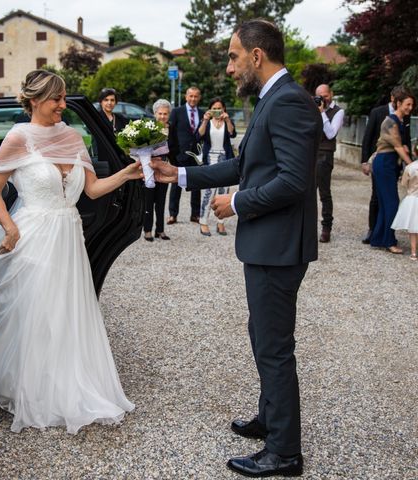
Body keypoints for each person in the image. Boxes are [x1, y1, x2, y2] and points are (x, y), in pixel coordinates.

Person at [151, 19, 321, 477]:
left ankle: (285, 452)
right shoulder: (273, 100)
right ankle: (271, 418)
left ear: (257, 56)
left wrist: (239, 204)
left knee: (274, 348)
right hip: (269, 246)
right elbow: (242, 165)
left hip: (279, 246)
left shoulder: (288, 102)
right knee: (262, 337)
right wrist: (179, 176)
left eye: (232, 56)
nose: (229, 67)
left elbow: (291, 180)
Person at [0, 70, 140, 434]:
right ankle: (36, 390)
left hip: (69, 234)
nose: (62, 105)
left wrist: (125, 174)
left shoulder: (74, 137)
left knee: (68, 311)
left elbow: (91, 190)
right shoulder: (17, 138)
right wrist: (9, 228)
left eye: (63, 98)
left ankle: (70, 387)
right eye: (56, 99)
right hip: (34, 234)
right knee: (37, 313)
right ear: (34, 101)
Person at [360, 85, 412, 244]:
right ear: (397, 102)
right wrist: (411, 165)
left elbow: (402, 143)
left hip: (391, 165)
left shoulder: (402, 119)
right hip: (383, 165)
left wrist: (406, 150)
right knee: (390, 203)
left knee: (385, 203)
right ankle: (386, 240)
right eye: (408, 104)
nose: (411, 108)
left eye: (412, 105)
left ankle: (378, 238)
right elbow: (395, 145)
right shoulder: (389, 120)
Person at [194, 97, 236, 236]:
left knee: (224, 192)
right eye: (215, 108)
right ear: (210, 109)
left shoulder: (226, 121)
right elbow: (198, 136)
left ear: (224, 109)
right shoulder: (207, 121)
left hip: (225, 158)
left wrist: (228, 120)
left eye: (220, 108)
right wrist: (205, 120)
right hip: (210, 158)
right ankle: (203, 222)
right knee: (208, 192)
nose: (217, 111)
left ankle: (220, 222)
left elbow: (232, 133)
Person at [167, 86, 203, 224]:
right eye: (191, 96)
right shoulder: (177, 112)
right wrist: (172, 154)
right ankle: (173, 214)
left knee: (196, 186)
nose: (193, 99)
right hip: (179, 155)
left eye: (196, 96)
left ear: (199, 97)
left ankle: (195, 214)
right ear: (186, 97)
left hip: (196, 156)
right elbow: (171, 133)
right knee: (176, 185)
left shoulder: (203, 113)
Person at [314, 84, 344, 243]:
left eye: (325, 96)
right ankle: (308, 226)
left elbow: (331, 133)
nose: (323, 99)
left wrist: (322, 113)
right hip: (310, 153)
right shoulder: (313, 108)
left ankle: (326, 228)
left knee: (324, 193)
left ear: (331, 94)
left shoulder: (338, 112)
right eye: (320, 96)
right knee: (307, 192)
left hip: (325, 154)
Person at [143, 99, 172, 242]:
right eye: (160, 113)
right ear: (155, 114)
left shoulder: (171, 128)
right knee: (148, 201)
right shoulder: (148, 128)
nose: (162, 116)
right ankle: (147, 230)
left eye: (165, 114)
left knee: (161, 201)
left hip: (165, 168)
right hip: (150, 168)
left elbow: (175, 149)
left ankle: (160, 230)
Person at [391, 155, 418, 260]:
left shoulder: (410, 167)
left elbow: (403, 183)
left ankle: (413, 253)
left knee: (413, 228)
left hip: (412, 199)